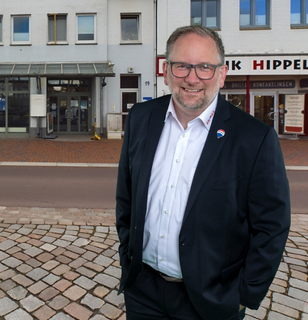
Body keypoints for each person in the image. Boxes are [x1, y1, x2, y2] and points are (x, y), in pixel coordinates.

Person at [116, 25, 290, 320]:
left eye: (205, 67)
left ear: (221, 74)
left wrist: (243, 295)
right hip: (143, 293)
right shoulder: (141, 119)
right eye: (182, 66)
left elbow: (272, 226)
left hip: (212, 302)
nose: (192, 77)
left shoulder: (253, 138)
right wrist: (127, 258)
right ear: (167, 71)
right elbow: (127, 197)